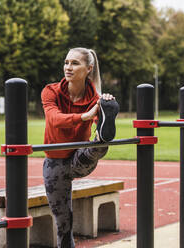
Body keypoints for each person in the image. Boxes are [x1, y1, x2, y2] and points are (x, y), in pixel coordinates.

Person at [41, 47, 119, 247]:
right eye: (66, 62)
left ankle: (102, 133)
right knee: (63, 226)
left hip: (79, 159)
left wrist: (102, 106)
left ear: (89, 69)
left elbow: (95, 107)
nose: (68, 67)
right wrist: (84, 115)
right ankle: (101, 136)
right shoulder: (50, 91)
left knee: (98, 146)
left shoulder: (95, 98)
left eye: (75, 63)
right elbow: (54, 119)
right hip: (54, 162)